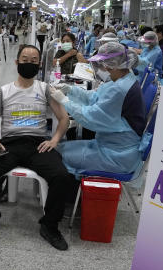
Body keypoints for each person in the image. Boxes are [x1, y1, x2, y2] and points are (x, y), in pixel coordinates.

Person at [0, 44, 74, 251]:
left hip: (37, 144)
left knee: (61, 176)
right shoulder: (4, 91)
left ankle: (50, 226)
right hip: (9, 144)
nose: (29, 63)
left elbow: (64, 118)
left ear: (39, 64)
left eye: (34, 61)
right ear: (17, 62)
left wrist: (54, 141)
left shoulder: (45, 89)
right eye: (25, 59)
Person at [52, 42, 146, 177]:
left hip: (117, 156)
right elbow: (95, 97)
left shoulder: (120, 88)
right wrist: (70, 90)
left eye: (103, 64)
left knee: (58, 157)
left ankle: (73, 195)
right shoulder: (122, 79)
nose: (102, 68)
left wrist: (64, 101)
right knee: (59, 149)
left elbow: (91, 118)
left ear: (112, 65)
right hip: (109, 145)